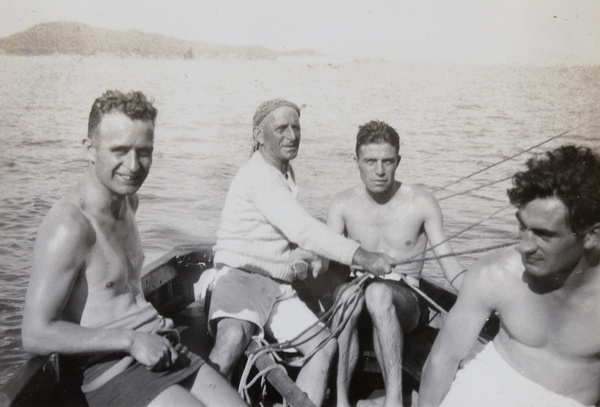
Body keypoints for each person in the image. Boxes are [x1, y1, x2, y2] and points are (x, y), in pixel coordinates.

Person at [21, 90, 247, 407]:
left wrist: (146, 339)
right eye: (120, 151)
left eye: (144, 151)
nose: (133, 165)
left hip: (163, 347)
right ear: (89, 149)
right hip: (114, 369)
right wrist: (131, 340)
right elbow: (33, 333)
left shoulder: (129, 202)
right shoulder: (70, 225)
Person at [199, 99, 396, 407]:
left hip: (277, 288)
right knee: (232, 341)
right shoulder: (260, 175)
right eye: (281, 128)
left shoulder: (283, 173)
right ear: (259, 136)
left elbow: (290, 232)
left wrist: (305, 256)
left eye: (296, 127)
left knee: (324, 348)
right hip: (240, 278)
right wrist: (362, 256)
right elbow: (303, 228)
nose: (292, 135)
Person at [419, 145, 600, 407]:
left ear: (591, 236)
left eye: (544, 234)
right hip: (488, 388)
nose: (525, 246)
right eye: (521, 226)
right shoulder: (497, 273)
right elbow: (443, 360)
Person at [322, 120, 465, 407]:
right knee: (348, 293)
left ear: (398, 161)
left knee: (378, 293)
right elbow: (324, 264)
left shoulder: (421, 202)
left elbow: (452, 269)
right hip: (356, 305)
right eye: (370, 161)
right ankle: (340, 401)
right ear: (357, 162)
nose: (379, 170)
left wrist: (491, 296)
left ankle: (394, 402)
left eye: (387, 161)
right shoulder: (342, 204)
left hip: (406, 304)